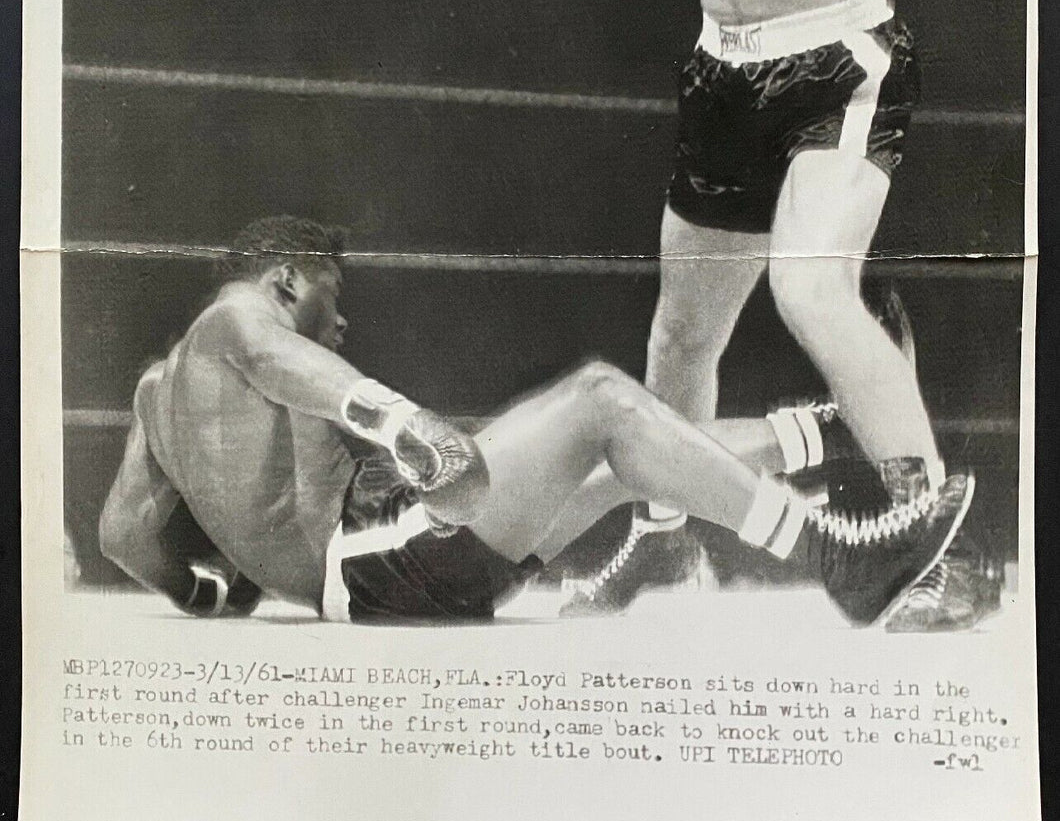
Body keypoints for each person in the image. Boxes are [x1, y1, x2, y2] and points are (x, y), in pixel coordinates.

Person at [568, 0, 984, 624]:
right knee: (678, 335)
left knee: (810, 287)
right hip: (724, 75)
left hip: (836, 67)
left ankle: (929, 552)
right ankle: (666, 543)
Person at [99, 216, 972, 626]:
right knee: (600, 397)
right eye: (332, 289)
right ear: (288, 276)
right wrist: (396, 415)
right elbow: (282, 359)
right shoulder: (237, 319)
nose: (342, 317)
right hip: (377, 554)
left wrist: (210, 589)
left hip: (385, 574)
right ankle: (841, 558)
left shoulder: (150, 397)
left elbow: (123, 536)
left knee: (633, 455)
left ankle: (842, 426)